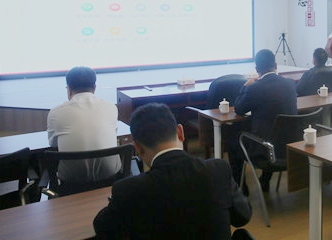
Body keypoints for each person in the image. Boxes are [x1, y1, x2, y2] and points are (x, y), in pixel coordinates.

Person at [93, 103, 252, 240]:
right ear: (180, 132)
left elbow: (103, 229)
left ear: (138, 148)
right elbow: (243, 216)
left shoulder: (128, 190)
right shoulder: (218, 170)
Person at [228, 49, 298, 191]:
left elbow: (239, 108)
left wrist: (245, 86)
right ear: (276, 65)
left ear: (256, 69)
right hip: (289, 147)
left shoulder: (255, 88)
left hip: (265, 150)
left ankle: (241, 188)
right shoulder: (290, 84)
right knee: (272, 133)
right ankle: (264, 181)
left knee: (232, 142)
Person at [47, 66, 121, 183]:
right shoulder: (111, 107)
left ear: (69, 89)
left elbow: (53, 144)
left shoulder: (56, 113)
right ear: (94, 88)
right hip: (111, 180)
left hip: (71, 184)